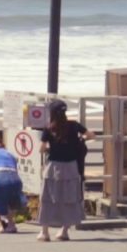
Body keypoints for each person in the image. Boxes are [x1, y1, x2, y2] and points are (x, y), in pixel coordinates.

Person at [38, 100, 93, 242]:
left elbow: (41, 149)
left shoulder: (49, 128)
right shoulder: (74, 125)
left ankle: (44, 232)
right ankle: (64, 231)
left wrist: (51, 147)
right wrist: (80, 139)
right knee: (69, 198)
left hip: (53, 167)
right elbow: (90, 135)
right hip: (71, 166)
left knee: (48, 198)